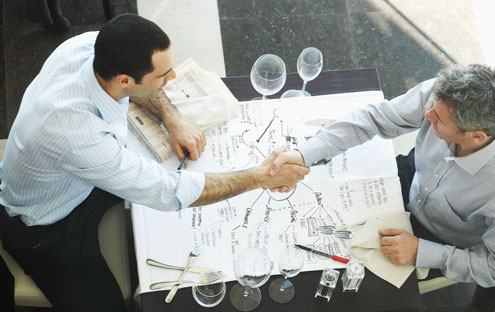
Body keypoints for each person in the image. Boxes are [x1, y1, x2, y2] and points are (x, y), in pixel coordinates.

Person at [0, 14, 308, 312]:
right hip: (45, 230)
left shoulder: (89, 47)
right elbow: (170, 191)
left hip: (77, 179)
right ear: (125, 78)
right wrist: (259, 177)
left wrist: (172, 117)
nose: (172, 78)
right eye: (163, 75)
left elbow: (131, 88)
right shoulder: (77, 134)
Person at [270, 64, 495, 288]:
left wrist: (423, 252)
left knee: (352, 282)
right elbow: (377, 118)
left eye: (438, 119)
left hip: (437, 237)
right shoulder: (445, 95)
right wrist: (304, 155)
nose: (426, 115)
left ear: (476, 136)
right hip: (411, 179)